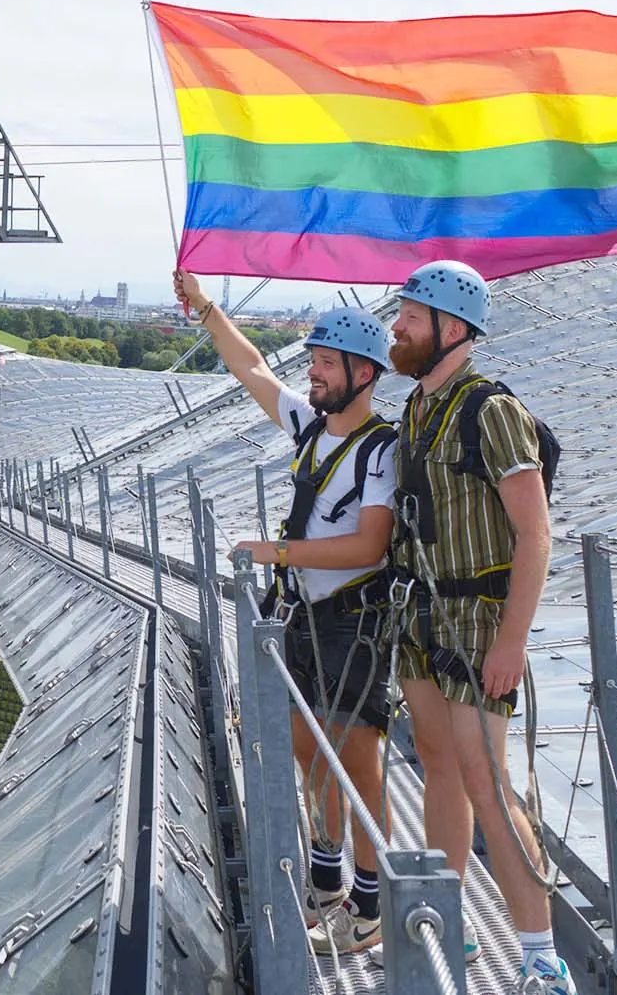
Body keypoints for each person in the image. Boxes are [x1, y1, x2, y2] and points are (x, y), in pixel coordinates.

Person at [172, 271, 396, 956]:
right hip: (304, 614)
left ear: (363, 373)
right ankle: (327, 880)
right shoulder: (313, 427)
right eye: (315, 362)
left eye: (327, 363)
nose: (315, 373)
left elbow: (371, 543)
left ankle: (372, 902)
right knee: (307, 748)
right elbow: (253, 369)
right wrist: (205, 307)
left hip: (351, 621)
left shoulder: (382, 450)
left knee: (356, 758)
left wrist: (276, 551)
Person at [387, 259, 569, 993]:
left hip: (477, 621)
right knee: (438, 764)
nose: (395, 328)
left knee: (488, 783)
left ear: (450, 328)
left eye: (409, 316)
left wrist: (512, 641)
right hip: (423, 618)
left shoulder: (489, 410)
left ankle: (540, 960)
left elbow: (536, 533)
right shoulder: (416, 409)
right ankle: (449, 924)